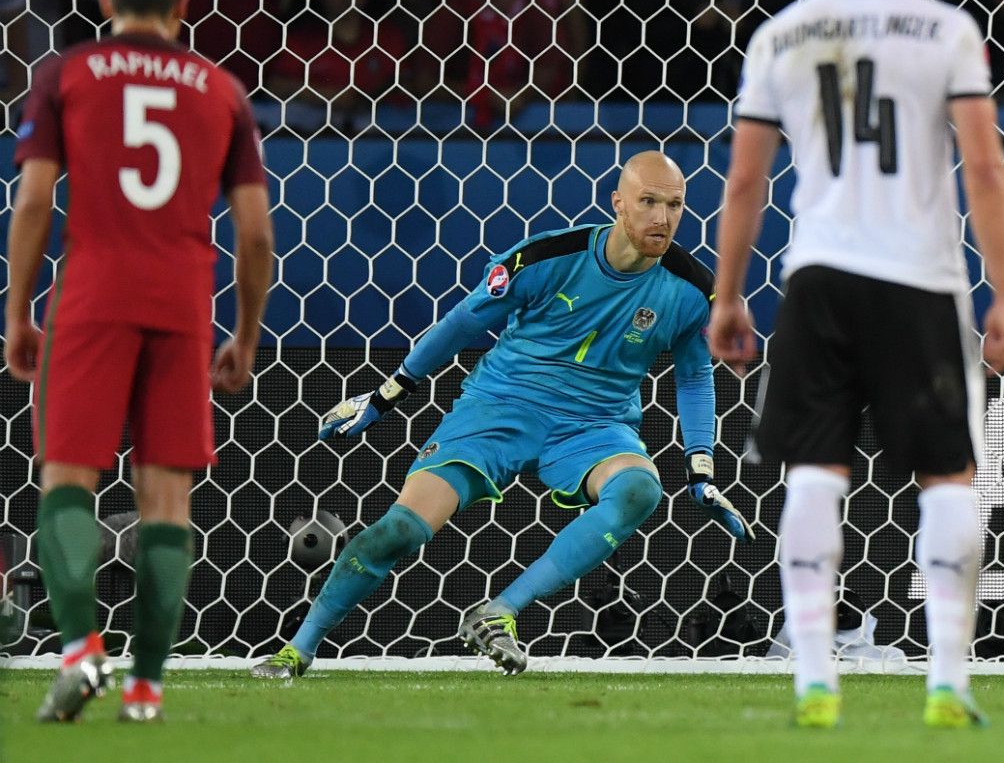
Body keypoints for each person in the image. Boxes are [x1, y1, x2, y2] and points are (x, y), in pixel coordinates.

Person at [708, 0, 1004, 730]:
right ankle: (949, 681)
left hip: (820, 276)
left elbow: (744, 182)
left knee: (815, 470)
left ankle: (813, 674)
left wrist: (728, 296)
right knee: (946, 474)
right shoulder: (945, 31)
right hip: (920, 279)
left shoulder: (782, 35)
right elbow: (985, 170)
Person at [251, 152, 750, 680]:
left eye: (674, 205)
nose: (661, 218)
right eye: (648, 202)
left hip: (594, 425)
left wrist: (701, 470)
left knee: (639, 489)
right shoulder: (546, 257)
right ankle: (297, 650)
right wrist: (382, 397)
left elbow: (695, 375)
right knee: (400, 530)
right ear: (618, 203)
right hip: (501, 407)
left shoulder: (694, 289)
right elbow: (463, 323)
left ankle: (500, 611)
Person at [6, 0, 274, 722]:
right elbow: (255, 234)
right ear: (186, 5)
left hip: (91, 296)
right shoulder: (221, 90)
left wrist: (18, 311)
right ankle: (148, 689)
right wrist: (247, 334)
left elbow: (32, 203)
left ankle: (83, 652)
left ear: (105, 2)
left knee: (67, 480)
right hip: (182, 303)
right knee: (165, 498)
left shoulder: (66, 74)